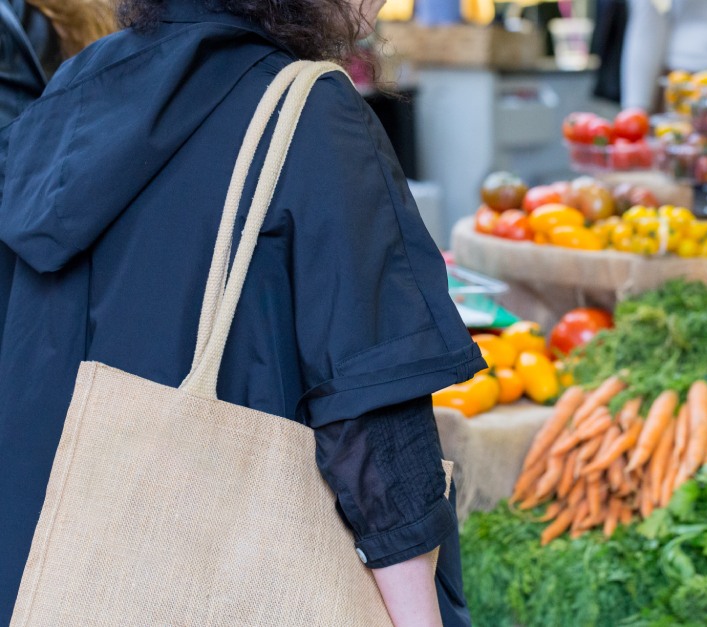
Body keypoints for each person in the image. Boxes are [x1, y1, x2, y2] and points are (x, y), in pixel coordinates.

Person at [0, 0, 487, 624]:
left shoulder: (75, 91)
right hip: (218, 583)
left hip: (45, 576)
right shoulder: (309, 113)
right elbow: (377, 436)